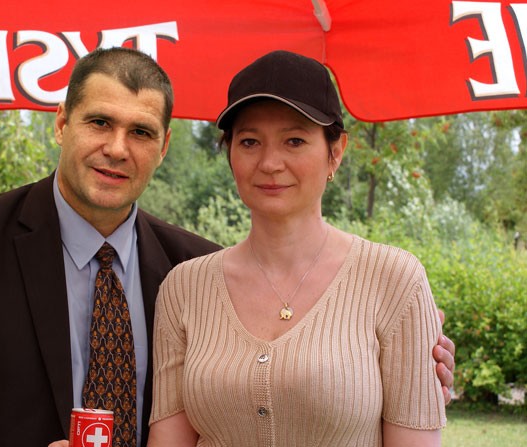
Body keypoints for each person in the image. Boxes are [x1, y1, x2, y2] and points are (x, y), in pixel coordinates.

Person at [0, 47, 453, 447]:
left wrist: (402, 363)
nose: (117, 148)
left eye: (141, 132)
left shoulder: (186, 268)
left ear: (165, 146)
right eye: (100, 123)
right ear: (62, 123)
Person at [148, 50, 448, 446]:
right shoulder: (184, 288)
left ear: (335, 152)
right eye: (250, 141)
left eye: (295, 140)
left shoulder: (395, 280)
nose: (270, 163)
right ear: (230, 153)